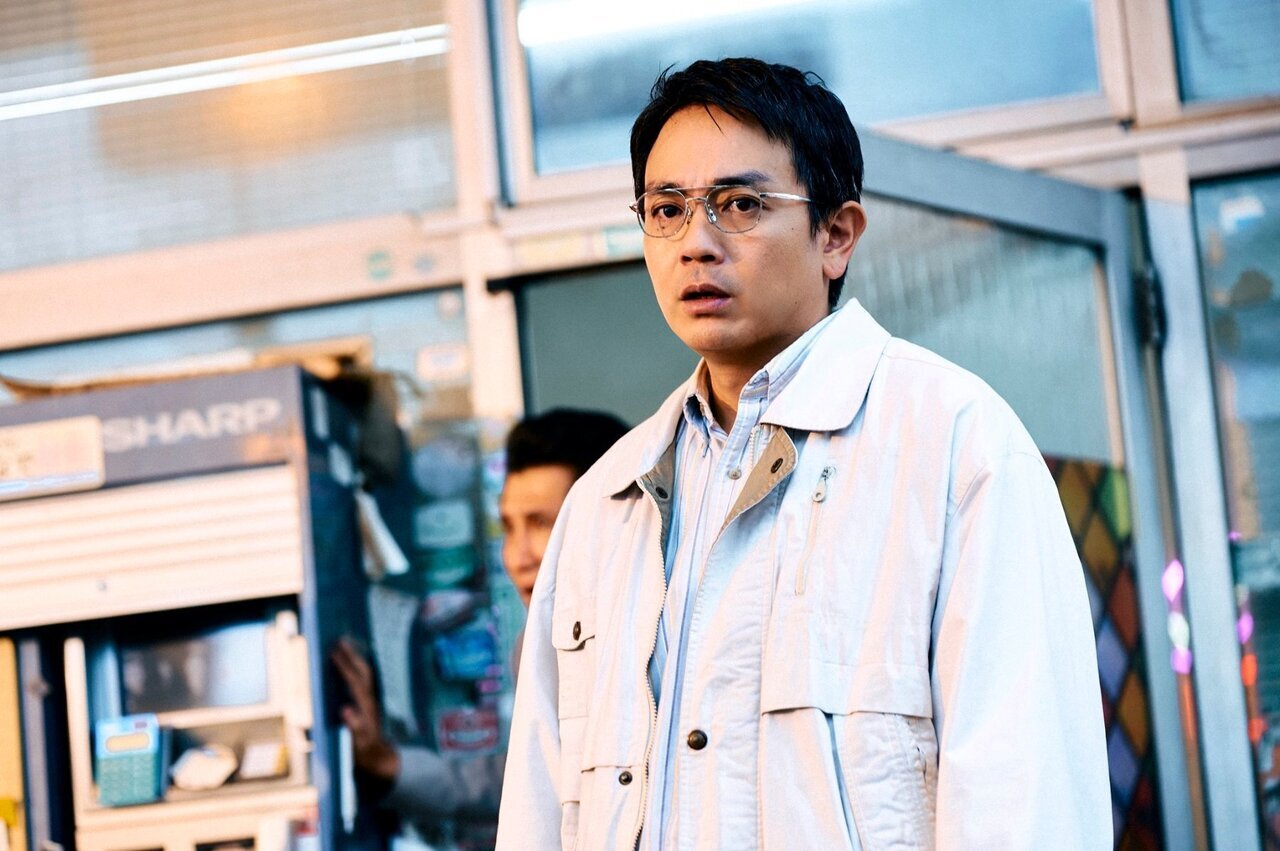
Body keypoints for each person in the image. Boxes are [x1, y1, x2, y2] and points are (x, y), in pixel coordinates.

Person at [496, 58, 1110, 850]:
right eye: (667, 209)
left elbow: (1024, 803)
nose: (695, 244)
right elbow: (539, 808)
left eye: (740, 205)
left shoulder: (955, 447)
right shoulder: (605, 499)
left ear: (835, 235)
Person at [331, 408, 628, 827]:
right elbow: (527, 781)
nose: (518, 556)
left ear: (612, 525)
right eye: (508, 527)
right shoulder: (537, 645)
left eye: (541, 524)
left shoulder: (662, 638)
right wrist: (387, 762)